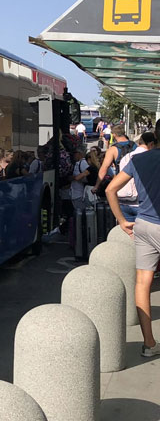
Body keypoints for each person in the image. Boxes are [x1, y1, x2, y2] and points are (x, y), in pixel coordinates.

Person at [105, 142, 160, 357]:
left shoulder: (139, 160)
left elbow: (110, 189)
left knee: (142, 283)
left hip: (143, 224)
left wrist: (121, 220)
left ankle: (149, 344)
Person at [94, 124, 137, 214]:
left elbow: (104, 169)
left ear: (114, 134)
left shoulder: (113, 149)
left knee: (122, 216)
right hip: (136, 185)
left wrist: (96, 186)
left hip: (120, 185)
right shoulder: (135, 146)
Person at [70, 146, 91, 212]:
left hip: (80, 195)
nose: (74, 155)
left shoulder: (83, 163)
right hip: (75, 194)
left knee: (81, 213)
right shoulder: (78, 163)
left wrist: (75, 178)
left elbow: (88, 177)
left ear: (79, 153)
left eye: (75, 153)